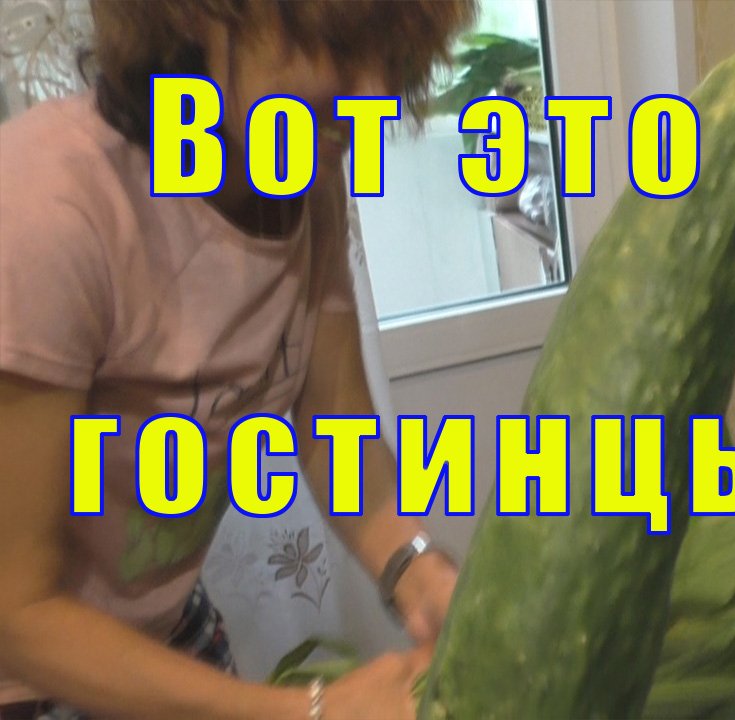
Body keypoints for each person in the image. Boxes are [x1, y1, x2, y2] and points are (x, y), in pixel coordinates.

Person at [0, 1, 475, 718]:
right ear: (197, 15)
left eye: (392, 55)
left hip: (164, 629)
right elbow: (18, 612)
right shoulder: (49, 208)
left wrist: (418, 571)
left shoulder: (299, 178)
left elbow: (334, 431)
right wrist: (310, 711)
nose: (375, 96)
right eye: (340, 46)